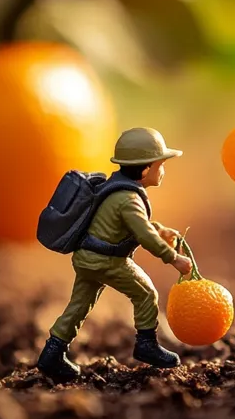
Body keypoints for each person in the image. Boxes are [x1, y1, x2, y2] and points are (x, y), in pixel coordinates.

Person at [37, 127, 192, 381]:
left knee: (78, 306)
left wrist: (161, 230)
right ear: (144, 170)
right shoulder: (129, 199)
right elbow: (143, 235)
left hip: (87, 257)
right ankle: (146, 345)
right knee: (145, 293)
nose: (162, 171)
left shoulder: (117, 190)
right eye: (160, 165)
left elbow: (133, 227)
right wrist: (173, 258)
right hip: (105, 260)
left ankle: (52, 354)